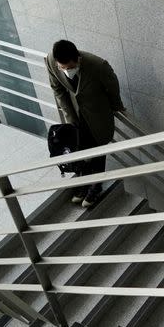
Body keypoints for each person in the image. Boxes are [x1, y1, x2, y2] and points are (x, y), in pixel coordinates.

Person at [45, 40, 124, 207]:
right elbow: (57, 89)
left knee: (98, 148)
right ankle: (84, 181)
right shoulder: (51, 61)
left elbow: (113, 86)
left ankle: (96, 186)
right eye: (63, 68)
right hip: (75, 115)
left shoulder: (98, 65)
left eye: (70, 67)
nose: (66, 71)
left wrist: (116, 106)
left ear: (78, 59)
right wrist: (70, 117)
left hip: (97, 115)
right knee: (79, 147)